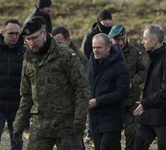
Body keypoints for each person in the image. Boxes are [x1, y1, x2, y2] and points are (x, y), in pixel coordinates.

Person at [13, 17, 90, 150]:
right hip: (40, 126)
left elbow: (82, 88)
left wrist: (79, 119)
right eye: (28, 39)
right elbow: (26, 96)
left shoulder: (65, 55)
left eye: (34, 38)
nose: (31, 42)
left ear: (44, 33)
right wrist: (19, 124)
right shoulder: (28, 60)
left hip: (67, 125)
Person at [133, 24, 166, 150]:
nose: (142, 42)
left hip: (165, 118)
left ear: (154, 40)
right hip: (148, 116)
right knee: (138, 146)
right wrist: (146, 105)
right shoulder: (151, 57)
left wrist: (145, 103)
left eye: (145, 38)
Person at [85, 33, 130, 150]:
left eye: (99, 47)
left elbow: (123, 92)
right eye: (94, 47)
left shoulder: (120, 66)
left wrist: (98, 102)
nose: (95, 50)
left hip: (112, 118)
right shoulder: (89, 64)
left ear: (108, 47)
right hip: (95, 118)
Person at [108, 24, 145, 150]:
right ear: (111, 40)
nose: (121, 42)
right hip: (113, 102)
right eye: (117, 40)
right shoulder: (107, 53)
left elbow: (142, 71)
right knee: (113, 137)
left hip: (132, 102)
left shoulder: (134, 52)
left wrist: (131, 82)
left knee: (133, 133)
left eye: (123, 38)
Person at [0, 19, 26, 150]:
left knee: (16, 140)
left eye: (17, 33)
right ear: (3, 33)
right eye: (11, 33)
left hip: (16, 105)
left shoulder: (26, 53)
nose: (14, 36)